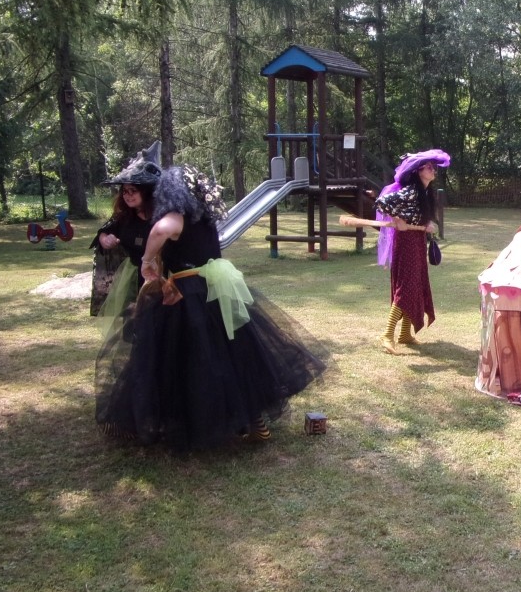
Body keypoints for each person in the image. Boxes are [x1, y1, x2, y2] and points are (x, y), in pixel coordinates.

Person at [95, 149, 325, 451]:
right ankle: (253, 420)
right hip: (215, 289)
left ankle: (172, 421)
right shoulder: (202, 217)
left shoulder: (175, 216)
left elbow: (161, 230)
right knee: (231, 355)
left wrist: (147, 260)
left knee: (184, 359)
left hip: (189, 293)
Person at [374, 148, 451, 354]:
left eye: (434, 167)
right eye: (429, 167)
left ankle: (405, 334)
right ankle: (387, 334)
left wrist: (426, 225)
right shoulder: (411, 191)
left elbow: (416, 216)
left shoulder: (424, 192)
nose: (433, 170)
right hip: (406, 241)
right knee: (406, 286)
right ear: (418, 171)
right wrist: (397, 219)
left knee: (415, 285)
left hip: (416, 239)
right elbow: (382, 202)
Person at [89, 142, 157, 320]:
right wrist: (105, 239)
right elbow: (104, 231)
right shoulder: (124, 216)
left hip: (160, 279)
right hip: (132, 282)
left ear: (147, 192)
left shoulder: (164, 216)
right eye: (125, 191)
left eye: (133, 190)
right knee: (132, 327)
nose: (127, 195)